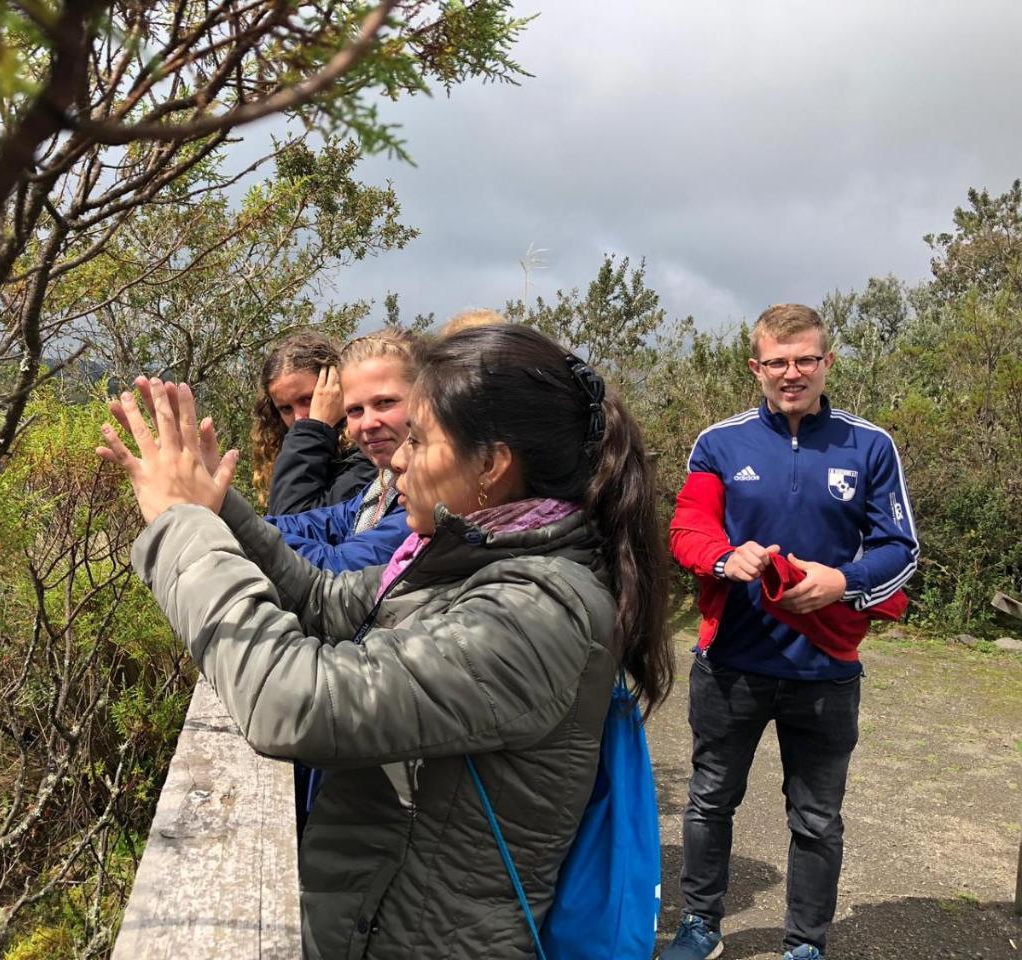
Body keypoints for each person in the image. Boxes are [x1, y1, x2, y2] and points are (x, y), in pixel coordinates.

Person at [96, 324, 673, 959]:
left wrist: (182, 530)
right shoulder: (468, 558)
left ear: (491, 466)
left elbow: (298, 704)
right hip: (382, 919)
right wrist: (219, 510)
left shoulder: (535, 610)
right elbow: (325, 600)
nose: (396, 458)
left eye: (419, 440)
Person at [660, 304, 919, 960]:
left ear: (828, 362)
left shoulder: (870, 444)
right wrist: (726, 557)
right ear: (757, 368)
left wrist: (843, 582)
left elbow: (901, 549)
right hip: (733, 663)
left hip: (826, 668)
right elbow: (688, 529)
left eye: (806, 359)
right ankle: (700, 926)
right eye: (777, 361)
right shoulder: (720, 442)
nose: (792, 372)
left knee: (817, 819)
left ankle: (805, 943)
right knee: (710, 801)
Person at [264, 329, 418, 574]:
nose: (300, 416)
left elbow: (336, 567)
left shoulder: (421, 490)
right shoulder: (381, 483)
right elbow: (313, 523)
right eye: (355, 409)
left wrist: (313, 429)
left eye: (385, 402)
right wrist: (222, 512)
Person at [251, 331, 374, 513]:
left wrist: (312, 430)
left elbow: (292, 524)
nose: (299, 418)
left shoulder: (370, 452)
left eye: (308, 399)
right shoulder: (298, 453)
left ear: (337, 389)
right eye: (286, 409)